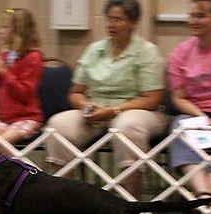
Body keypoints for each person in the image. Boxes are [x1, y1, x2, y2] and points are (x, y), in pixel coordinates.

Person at [45, 0, 167, 198]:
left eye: (118, 20)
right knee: (58, 124)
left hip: (138, 111)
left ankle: (131, 203)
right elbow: (75, 92)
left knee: (127, 126)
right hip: (96, 111)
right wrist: (86, 106)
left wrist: (115, 110)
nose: (111, 24)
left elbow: (152, 99)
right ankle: (64, 199)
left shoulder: (147, 51)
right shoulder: (94, 50)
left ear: (133, 23)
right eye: (109, 19)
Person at [168, 0, 211, 201]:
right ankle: (205, 196)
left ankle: (204, 199)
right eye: (191, 16)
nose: (193, 21)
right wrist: (200, 117)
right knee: (179, 129)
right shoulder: (180, 52)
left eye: (200, 16)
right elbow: (178, 97)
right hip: (194, 113)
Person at [0, 8, 43, 156]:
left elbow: (24, 93)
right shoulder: (4, 56)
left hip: (27, 118)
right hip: (5, 119)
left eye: (5, 27)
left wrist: (4, 71)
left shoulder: (34, 58)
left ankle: (13, 177)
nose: (0, 31)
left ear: (18, 32)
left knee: (3, 143)